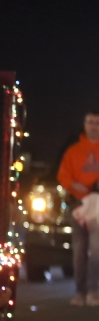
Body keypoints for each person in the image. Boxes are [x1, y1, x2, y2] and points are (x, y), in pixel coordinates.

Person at [57, 109, 99, 306]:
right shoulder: (73, 151)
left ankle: (94, 292)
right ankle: (80, 292)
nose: (93, 126)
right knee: (79, 251)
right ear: (84, 124)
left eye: (97, 122)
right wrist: (74, 185)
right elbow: (63, 175)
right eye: (90, 122)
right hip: (78, 207)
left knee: (96, 250)